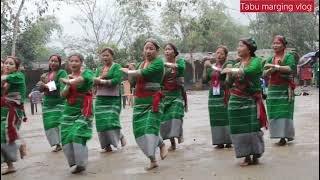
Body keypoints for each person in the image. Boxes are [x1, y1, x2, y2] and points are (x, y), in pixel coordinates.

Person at [120, 39, 168, 170]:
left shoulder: (158, 63)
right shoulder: (141, 64)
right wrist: (131, 72)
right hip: (140, 102)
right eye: (146, 48)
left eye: (151, 48)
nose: (148, 51)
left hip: (153, 101)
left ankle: (161, 145)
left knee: (150, 128)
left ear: (157, 51)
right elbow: (133, 82)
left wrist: (129, 71)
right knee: (140, 130)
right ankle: (152, 159)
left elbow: (144, 73)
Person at [222, 38, 267, 166]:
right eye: (238, 46)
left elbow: (250, 71)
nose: (238, 48)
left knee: (253, 128)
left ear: (249, 49)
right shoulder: (236, 65)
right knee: (238, 129)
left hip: (250, 100)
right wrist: (229, 74)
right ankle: (246, 155)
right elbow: (228, 84)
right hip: (235, 101)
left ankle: (256, 154)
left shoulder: (256, 62)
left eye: (241, 46)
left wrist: (232, 71)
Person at [59, 53, 93, 174]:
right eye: (71, 61)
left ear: (81, 63)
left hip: (83, 109)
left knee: (78, 134)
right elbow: (62, 96)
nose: (73, 63)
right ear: (68, 63)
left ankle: (82, 163)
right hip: (68, 110)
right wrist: (67, 85)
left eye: (76, 61)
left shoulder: (87, 73)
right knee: (66, 136)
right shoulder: (65, 77)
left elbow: (84, 80)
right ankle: (77, 163)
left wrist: (70, 81)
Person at [263, 35, 296, 146]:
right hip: (273, 90)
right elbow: (264, 73)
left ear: (283, 45)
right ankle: (279, 136)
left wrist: (275, 67)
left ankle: (285, 136)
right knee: (274, 113)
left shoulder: (289, 57)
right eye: (274, 43)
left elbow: (289, 68)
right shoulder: (270, 58)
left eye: (278, 43)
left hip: (285, 89)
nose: (275, 45)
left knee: (284, 112)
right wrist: (269, 71)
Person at [93, 47, 126, 153]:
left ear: (112, 56)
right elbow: (93, 81)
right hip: (100, 99)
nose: (105, 57)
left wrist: (101, 80)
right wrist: (102, 77)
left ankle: (120, 136)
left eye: (107, 55)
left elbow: (116, 80)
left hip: (113, 98)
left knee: (111, 120)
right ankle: (106, 146)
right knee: (101, 122)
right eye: (103, 55)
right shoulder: (99, 69)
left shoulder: (117, 67)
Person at [202, 45, 233, 149]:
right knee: (215, 118)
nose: (219, 55)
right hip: (213, 96)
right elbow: (204, 80)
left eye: (221, 53)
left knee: (226, 117)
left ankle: (229, 141)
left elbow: (224, 73)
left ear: (226, 55)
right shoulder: (212, 66)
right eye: (217, 53)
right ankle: (219, 141)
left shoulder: (228, 64)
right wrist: (205, 68)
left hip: (224, 94)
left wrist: (210, 66)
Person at [1, 56, 27, 175]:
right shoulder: (5, 80)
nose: (7, 65)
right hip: (3, 110)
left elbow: (7, 77)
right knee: (4, 137)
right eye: (6, 63)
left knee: (7, 134)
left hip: (14, 111)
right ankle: (10, 165)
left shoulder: (18, 76)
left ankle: (20, 144)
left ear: (16, 68)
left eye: (11, 64)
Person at [37, 54, 67, 152]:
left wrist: (45, 85)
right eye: (51, 61)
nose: (53, 63)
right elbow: (42, 89)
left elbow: (60, 85)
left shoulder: (62, 73)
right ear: (49, 62)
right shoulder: (45, 75)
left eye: (55, 61)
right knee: (49, 123)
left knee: (58, 122)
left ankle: (63, 142)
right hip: (47, 102)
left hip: (59, 102)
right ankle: (57, 143)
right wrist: (41, 87)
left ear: (59, 63)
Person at [160, 43, 187, 151]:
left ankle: (178, 133)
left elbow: (181, 68)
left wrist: (168, 65)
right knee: (166, 119)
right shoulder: (161, 64)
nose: (167, 51)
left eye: (169, 49)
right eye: (165, 49)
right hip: (165, 95)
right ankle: (172, 143)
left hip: (177, 94)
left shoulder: (179, 61)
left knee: (175, 115)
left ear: (174, 52)